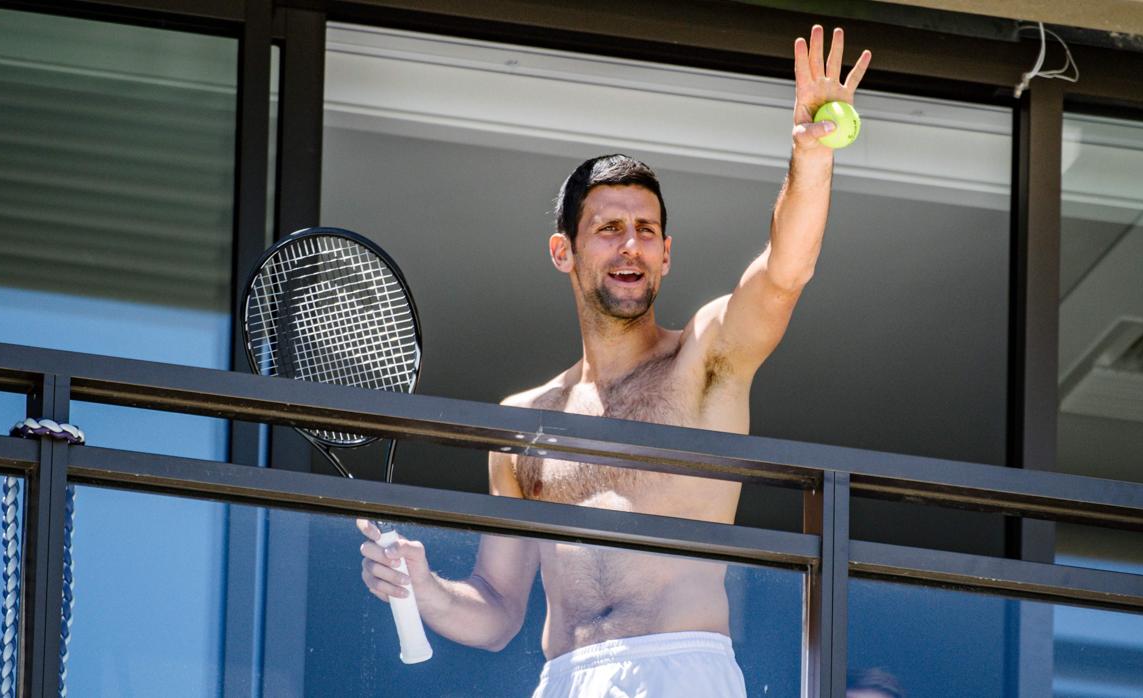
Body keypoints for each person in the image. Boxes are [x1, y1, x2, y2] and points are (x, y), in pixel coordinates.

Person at [359, 25, 872, 697]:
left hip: (679, 670)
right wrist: (423, 587)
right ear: (563, 252)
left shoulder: (705, 357)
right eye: (608, 229)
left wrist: (812, 158)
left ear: (667, 254)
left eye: (647, 231)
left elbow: (785, 271)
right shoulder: (523, 421)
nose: (630, 246)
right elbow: (495, 611)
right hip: (565, 680)